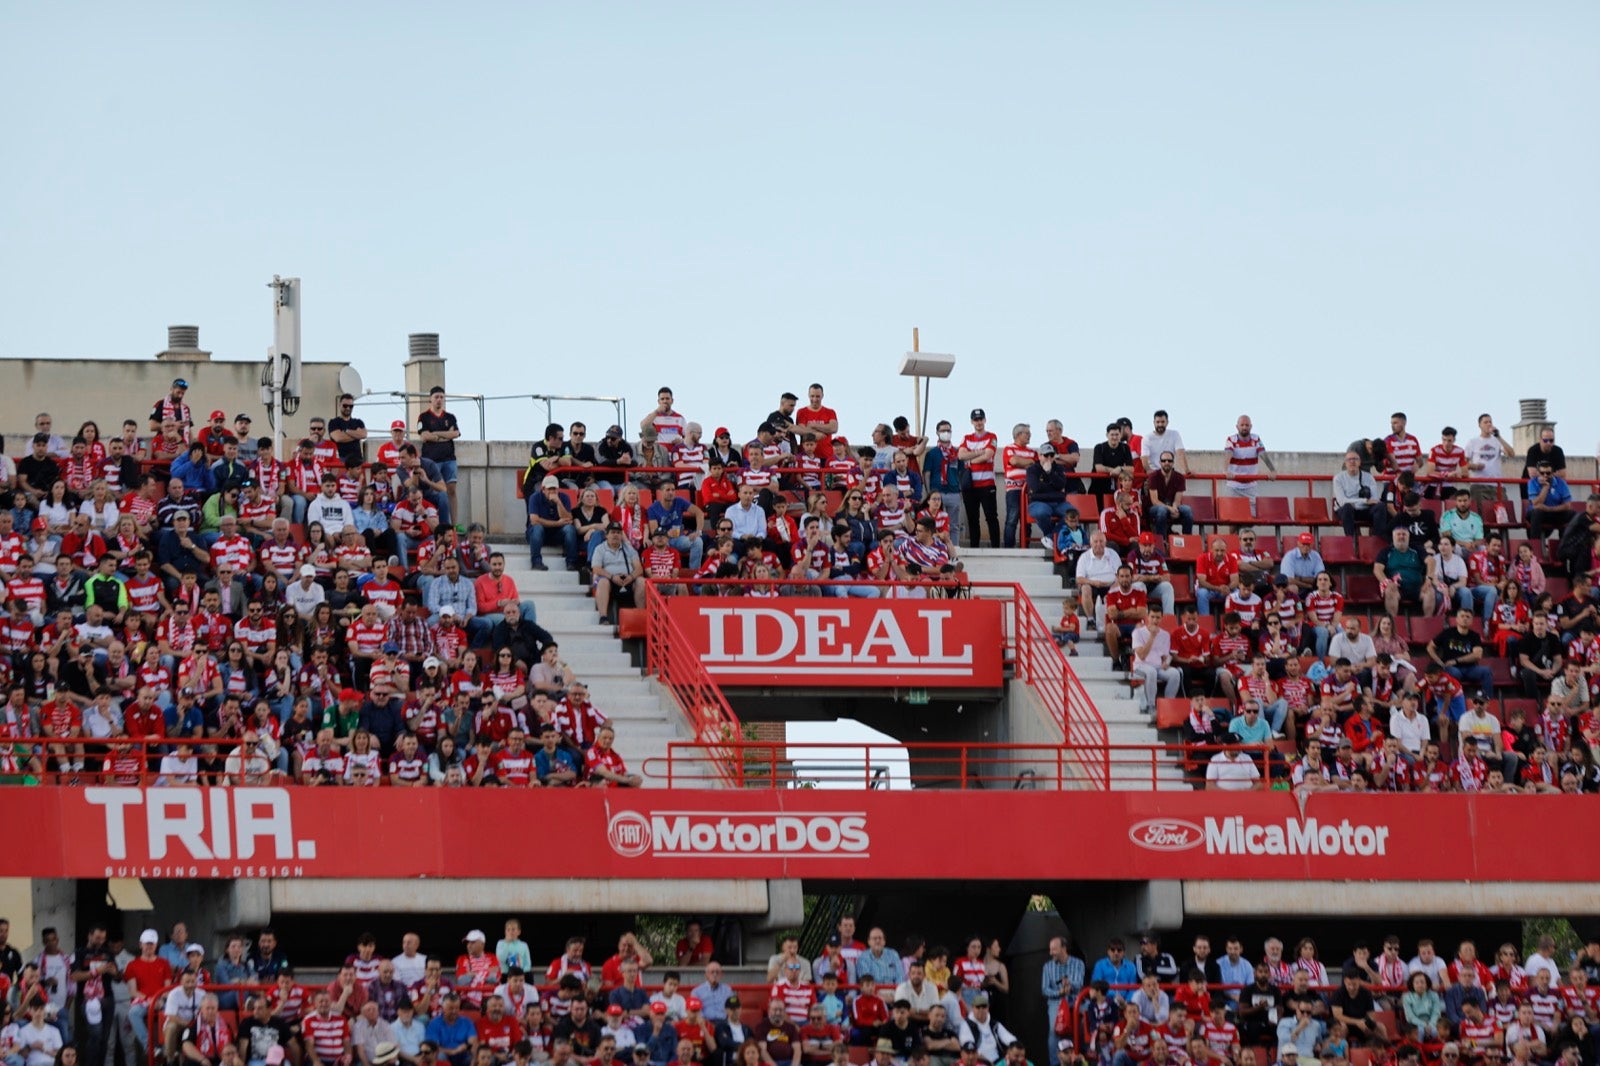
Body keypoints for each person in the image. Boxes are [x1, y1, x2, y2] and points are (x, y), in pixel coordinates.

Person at [417, 388, 461, 528]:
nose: (439, 399)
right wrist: (444, 435)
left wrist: (435, 434)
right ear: (430, 399)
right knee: (436, 490)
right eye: (436, 397)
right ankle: (441, 525)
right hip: (432, 461)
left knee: (451, 490)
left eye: (441, 397)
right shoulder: (424, 417)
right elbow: (424, 436)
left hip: (449, 459)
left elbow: (455, 433)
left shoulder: (450, 417)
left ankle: (454, 525)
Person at [958, 410, 1000, 549]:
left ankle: (996, 548)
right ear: (972, 422)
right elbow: (961, 456)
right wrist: (979, 452)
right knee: (972, 519)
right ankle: (974, 548)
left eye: (981, 419)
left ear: (985, 420)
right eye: (976, 420)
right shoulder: (967, 437)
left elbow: (988, 455)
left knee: (991, 517)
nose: (979, 422)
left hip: (987, 484)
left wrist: (971, 460)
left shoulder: (992, 436)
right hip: (970, 486)